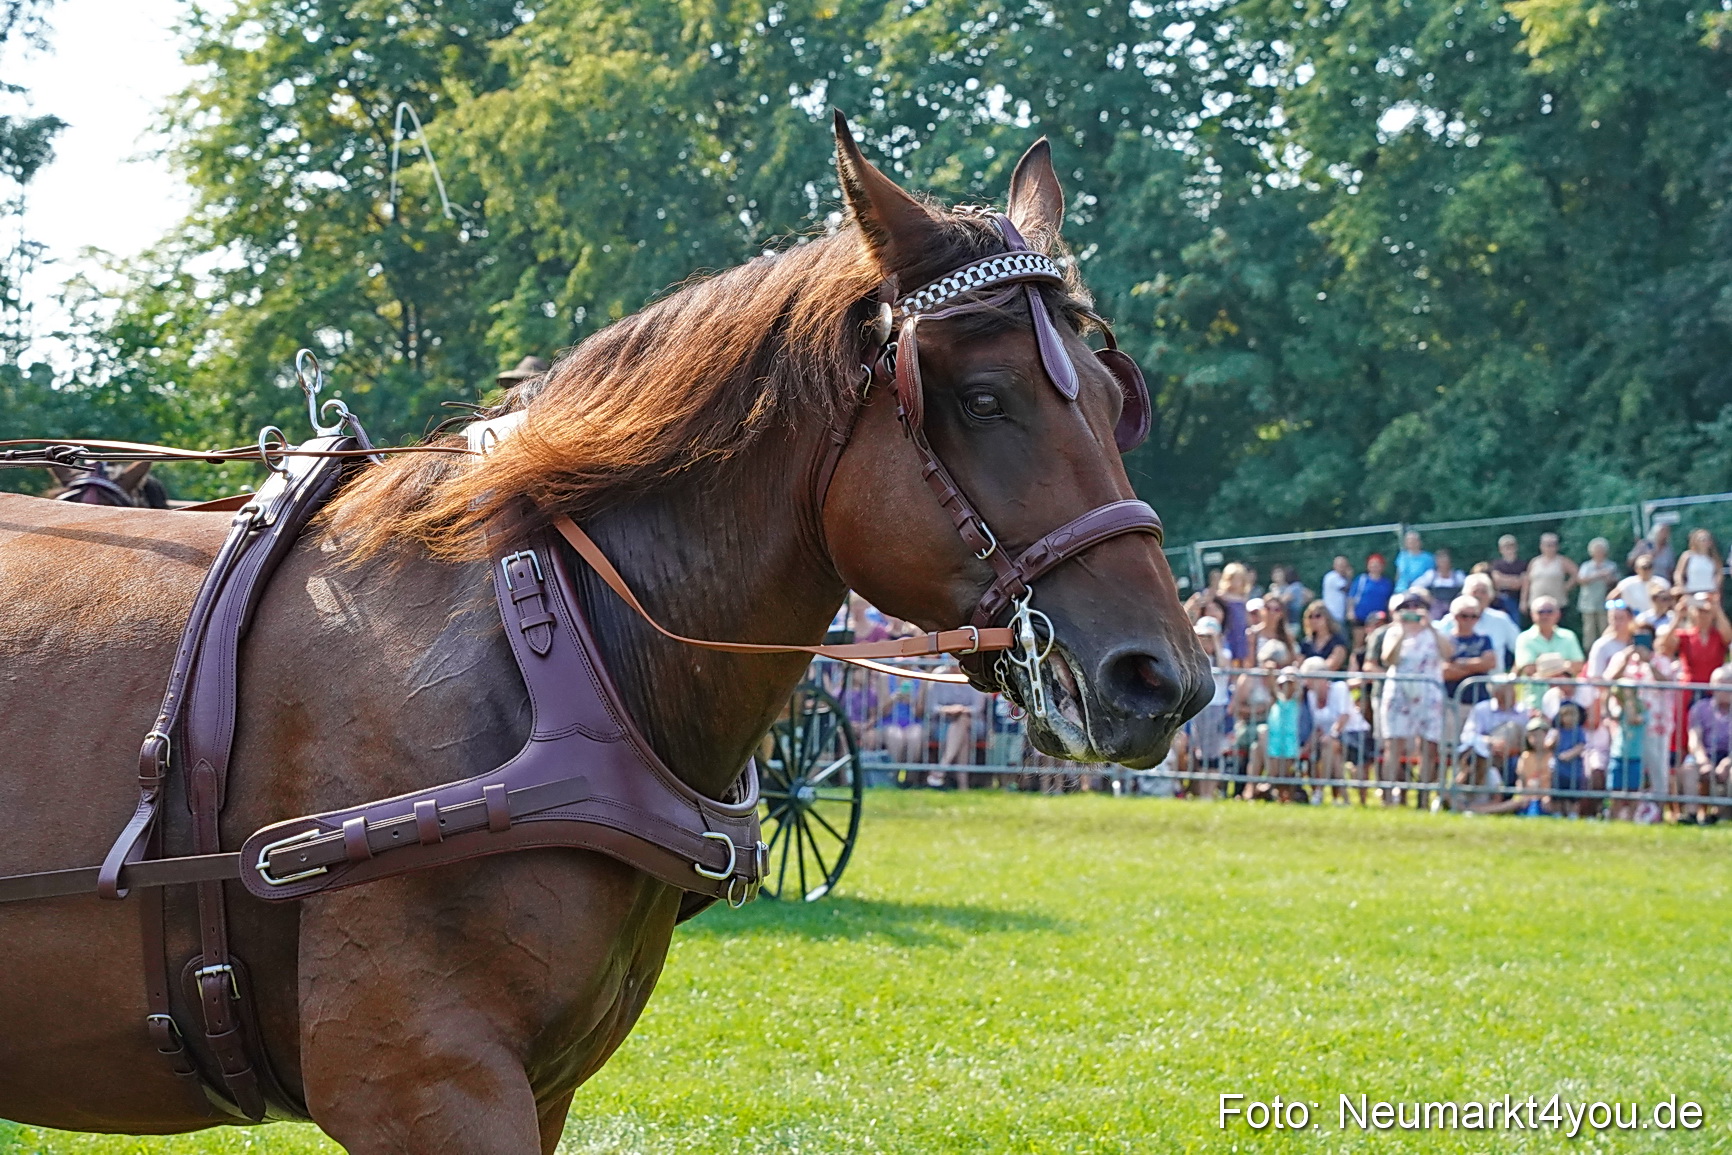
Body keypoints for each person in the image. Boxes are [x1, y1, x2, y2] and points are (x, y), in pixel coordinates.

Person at [1378, 592, 1452, 807]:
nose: (1411, 610)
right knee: (1394, 745)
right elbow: (1388, 659)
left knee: (1428, 746)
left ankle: (1423, 798)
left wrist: (1430, 627)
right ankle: (1389, 797)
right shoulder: (1393, 632)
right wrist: (1402, 632)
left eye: (1416, 606)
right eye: (1406, 607)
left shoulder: (1435, 631)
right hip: (1399, 693)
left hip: (1429, 693)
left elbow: (1448, 653)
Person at [1455, 678, 1527, 806]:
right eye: (1507, 689)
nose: (1513, 692)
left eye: (1512, 689)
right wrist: (1490, 742)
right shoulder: (1481, 709)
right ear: (1496, 693)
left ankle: (1506, 801)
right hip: (1485, 755)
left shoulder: (1524, 712)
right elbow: (1467, 735)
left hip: (1514, 755)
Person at [1185, 618, 1232, 798]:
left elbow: (1223, 667)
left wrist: (1216, 641)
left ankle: (1209, 793)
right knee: (1199, 752)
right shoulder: (1195, 656)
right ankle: (1201, 793)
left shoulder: (1223, 654)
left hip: (1215, 707)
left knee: (1212, 753)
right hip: (1199, 708)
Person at [1468, 717, 1551, 815]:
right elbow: (1521, 780)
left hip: (1547, 795)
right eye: (1533, 735)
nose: (1537, 739)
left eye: (1540, 734)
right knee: (1522, 804)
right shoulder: (1525, 757)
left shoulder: (1551, 756)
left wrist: (1548, 796)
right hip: (1529, 795)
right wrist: (1522, 794)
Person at [1681, 667, 1732, 825]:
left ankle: (1720, 816)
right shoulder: (1700, 708)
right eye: (1718, 684)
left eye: (1727, 684)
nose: (1722, 689)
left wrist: (1727, 762)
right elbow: (1694, 739)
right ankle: (1691, 815)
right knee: (1689, 769)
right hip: (1704, 754)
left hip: (1728, 756)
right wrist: (1703, 761)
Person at [1513, 595, 1584, 708]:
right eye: (1541, 612)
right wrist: (1564, 667)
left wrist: (1543, 666)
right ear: (1532, 615)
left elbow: (1578, 665)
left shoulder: (1569, 636)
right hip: (1535, 704)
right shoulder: (1524, 638)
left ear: (1558, 614)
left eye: (1549, 611)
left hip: (1567, 704)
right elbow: (1529, 668)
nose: (1545, 615)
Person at [1602, 659, 1647, 822]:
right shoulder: (1620, 709)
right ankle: (1613, 818)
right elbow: (1609, 712)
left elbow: (1634, 718)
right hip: (1618, 755)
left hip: (1635, 756)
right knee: (1615, 791)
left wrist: (1628, 699)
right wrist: (1608, 694)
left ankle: (1632, 819)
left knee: (1634, 792)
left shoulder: (1643, 710)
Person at [928, 660, 983, 788]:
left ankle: (942, 767)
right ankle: (963, 786)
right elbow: (932, 707)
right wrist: (947, 710)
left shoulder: (975, 676)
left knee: (962, 720)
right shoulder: (938, 677)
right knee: (962, 737)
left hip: (974, 723)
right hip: (943, 724)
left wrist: (961, 709)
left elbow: (978, 707)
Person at [1666, 593, 1732, 692]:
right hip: (1690, 688)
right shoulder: (1685, 635)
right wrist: (1678, 617)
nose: (1703, 615)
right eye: (1699, 611)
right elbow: (1665, 646)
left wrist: (1717, 609)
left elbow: (1729, 638)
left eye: (1707, 612)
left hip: (1713, 689)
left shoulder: (1718, 636)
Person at [1439, 595, 1497, 703]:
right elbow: (1445, 671)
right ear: (1454, 616)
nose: (1469, 620)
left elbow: (1490, 663)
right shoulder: (1445, 641)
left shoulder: (1484, 639)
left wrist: (1460, 663)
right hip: (1452, 700)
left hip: (1479, 700)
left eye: (1474, 616)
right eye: (1464, 616)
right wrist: (1476, 668)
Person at [1463, 573, 1519, 671]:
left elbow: (1521, 648)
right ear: (1465, 595)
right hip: (1458, 683)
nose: (1479, 596)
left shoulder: (1501, 619)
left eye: (1483, 592)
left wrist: (1513, 676)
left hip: (1495, 683)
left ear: (1490, 596)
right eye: (1475, 592)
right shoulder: (1452, 620)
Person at [1522, 533, 1577, 624]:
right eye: (1547, 545)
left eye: (1553, 545)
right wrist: (1523, 601)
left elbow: (1576, 574)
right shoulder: (1534, 562)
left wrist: (1567, 587)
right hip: (1536, 604)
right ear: (1541, 546)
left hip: (1557, 603)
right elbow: (1527, 581)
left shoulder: (1562, 561)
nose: (1550, 548)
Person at [1265, 671, 1303, 801]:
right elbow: (1273, 689)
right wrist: (1270, 675)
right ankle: (1278, 795)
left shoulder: (1296, 701)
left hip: (1290, 741)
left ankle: (1289, 797)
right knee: (1275, 772)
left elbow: (1300, 690)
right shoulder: (1277, 700)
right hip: (1275, 740)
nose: (1286, 687)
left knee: (1288, 772)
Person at [1547, 700, 1588, 816]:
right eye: (1566, 714)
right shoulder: (1557, 731)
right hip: (1559, 770)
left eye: (1573, 714)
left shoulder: (1578, 731)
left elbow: (1581, 746)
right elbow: (1548, 744)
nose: (1570, 718)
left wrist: (1569, 754)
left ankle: (1572, 814)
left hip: (1574, 771)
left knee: (1572, 796)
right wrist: (1553, 739)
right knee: (1557, 794)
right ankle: (1557, 813)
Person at [1575, 537, 1619, 643]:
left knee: (1605, 629)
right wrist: (1598, 575)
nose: (1599, 553)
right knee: (1589, 631)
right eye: (1596, 551)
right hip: (1588, 603)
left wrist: (1609, 578)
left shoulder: (1611, 566)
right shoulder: (1586, 566)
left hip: (1604, 602)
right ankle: (1588, 653)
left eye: (1601, 550)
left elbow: (1616, 583)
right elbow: (1580, 580)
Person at [1347, 554, 1393, 646]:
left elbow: (1389, 601)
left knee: (1377, 644)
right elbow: (1351, 597)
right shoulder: (1361, 579)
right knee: (1358, 644)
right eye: (1372, 564)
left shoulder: (1387, 583)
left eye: (1377, 564)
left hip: (1379, 619)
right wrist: (1350, 611)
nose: (1374, 567)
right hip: (1360, 616)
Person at [1586, 599, 1636, 679]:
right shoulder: (1601, 645)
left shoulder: (1638, 642)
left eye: (1620, 619)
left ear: (1630, 619)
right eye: (1613, 619)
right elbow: (1595, 678)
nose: (1616, 623)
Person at [1217, 563, 1254, 668]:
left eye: (1239, 579)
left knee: (1241, 656)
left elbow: (1246, 616)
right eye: (1233, 579)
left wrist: (1251, 626)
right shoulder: (1222, 596)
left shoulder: (1243, 598)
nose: (1236, 583)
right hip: (1228, 630)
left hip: (1240, 630)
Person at [1413, 547, 1465, 620]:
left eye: (1445, 559)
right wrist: (1427, 596)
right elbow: (1414, 587)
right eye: (1440, 559)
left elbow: (1468, 589)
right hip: (1435, 609)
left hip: (1454, 608)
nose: (1443, 562)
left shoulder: (1458, 576)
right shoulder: (1431, 575)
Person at [1674, 528, 1724, 602]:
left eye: (1707, 539)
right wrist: (1682, 587)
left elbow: (1719, 572)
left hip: (1710, 592)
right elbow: (1678, 573)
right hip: (1691, 592)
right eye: (1702, 539)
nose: (1705, 542)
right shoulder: (1688, 556)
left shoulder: (1713, 557)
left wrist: (1716, 586)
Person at [1297, 600, 1349, 670]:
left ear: (1327, 617)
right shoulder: (1306, 642)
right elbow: (1299, 665)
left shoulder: (1337, 641)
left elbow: (1332, 666)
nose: (1313, 620)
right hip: (1307, 679)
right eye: (1310, 616)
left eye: (1318, 616)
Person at [1490, 534, 1528, 620]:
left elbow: (1524, 583)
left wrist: (1505, 580)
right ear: (1500, 549)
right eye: (1506, 546)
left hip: (1517, 600)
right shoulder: (1497, 564)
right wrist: (1515, 580)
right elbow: (1497, 581)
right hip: (1500, 600)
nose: (1509, 549)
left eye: (1511, 546)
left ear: (1516, 547)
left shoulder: (1522, 564)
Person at [1322, 555, 1353, 623]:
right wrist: (1349, 577)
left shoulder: (1342, 578)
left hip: (1339, 615)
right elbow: (1346, 588)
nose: (1342, 568)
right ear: (1334, 566)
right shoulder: (1332, 576)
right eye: (1340, 565)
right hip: (1332, 614)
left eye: (1344, 565)